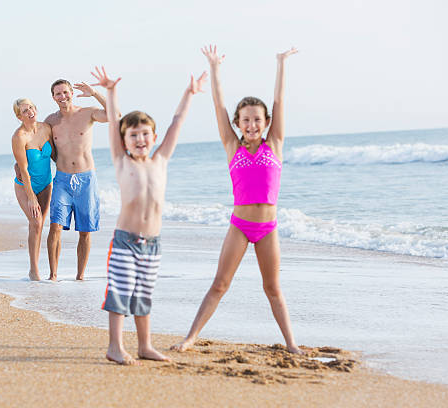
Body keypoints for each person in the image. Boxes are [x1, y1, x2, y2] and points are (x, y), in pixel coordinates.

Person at [172, 45, 303, 354]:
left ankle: (292, 344)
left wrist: (281, 63)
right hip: (240, 226)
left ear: (266, 121)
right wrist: (215, 69)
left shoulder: (276, 144)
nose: (252, 125)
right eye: (245, 120)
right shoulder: (233, 147)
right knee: (220, 284)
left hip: (268, 228)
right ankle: (190, 338)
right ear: (238, 123)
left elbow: (280, 100)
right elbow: (218, 106)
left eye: (257, 119)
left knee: (273, 288)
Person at [91, 66, 207, 365]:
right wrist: (112, 92)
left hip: (152, 244)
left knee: (143, 295)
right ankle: (115, 346)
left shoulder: (161, 161)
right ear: (124, 140)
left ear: (153, 136)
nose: (140, 139)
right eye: (133, 135)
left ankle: (145, 345)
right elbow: (114, 122)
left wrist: (189, 93)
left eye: (145, 134)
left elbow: (177, 123)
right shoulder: (121, 162)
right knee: (120, 291)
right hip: (125, 241)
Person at [45, 79, 109, 281]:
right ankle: (53, 275)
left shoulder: (87, 113)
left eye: (65, 92)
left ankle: (80, 276)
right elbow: (41, 146)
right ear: (53, 98)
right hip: (62, 180)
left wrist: (95, 93)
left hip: (86, 179)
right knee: (55, 226)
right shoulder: (50, 121)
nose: (62, 96)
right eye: (58, 94)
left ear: (72, 93)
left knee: (85, 231)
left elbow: (114, 115)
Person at [11, 98, 54, 281]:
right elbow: (23, 170)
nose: (30, 112)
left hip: (46, 183)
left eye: (31, 107)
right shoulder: (19, 137)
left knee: (40, 226)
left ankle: (38, 268)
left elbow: (56, 155)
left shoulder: (46, 128)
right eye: (24, 111)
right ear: (19, 116)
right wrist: (31, 197)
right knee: (35, 223)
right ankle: (34, 271)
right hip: (25, 185)